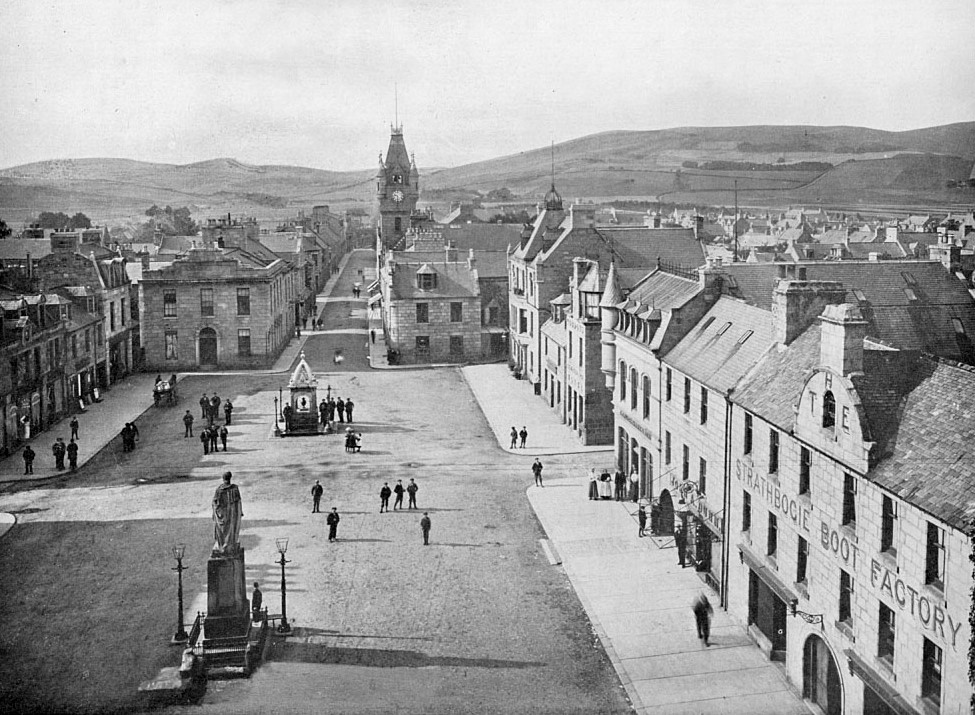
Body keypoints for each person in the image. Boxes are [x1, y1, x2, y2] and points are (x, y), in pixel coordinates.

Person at [212, 472, 243, 556]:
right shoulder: (235, 488)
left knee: (222, 529)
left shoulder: (219, 490)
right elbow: (238, 503)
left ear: (223, 479)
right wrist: (239, 512)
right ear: (230, 478)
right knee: (231, 528)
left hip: (222, 514)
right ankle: (229, 545)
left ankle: (223, 545)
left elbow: (215, 503)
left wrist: (215, 512)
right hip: (231, 514)